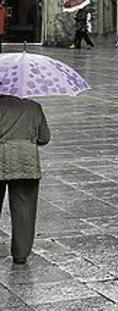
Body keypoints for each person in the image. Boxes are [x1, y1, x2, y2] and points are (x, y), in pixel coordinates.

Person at [0, 92, 50, 265]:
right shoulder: (34, 107)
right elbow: (44, 138)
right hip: (25, 162)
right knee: (24, 209)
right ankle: (21, 254)